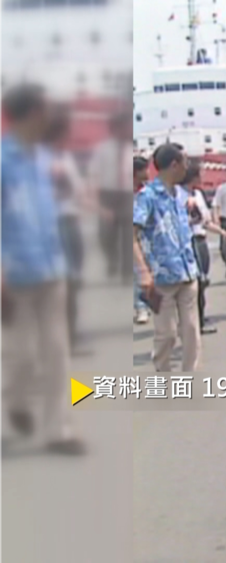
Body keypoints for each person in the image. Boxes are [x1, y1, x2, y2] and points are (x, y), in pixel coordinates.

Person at [1, 83, 82, 454]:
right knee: (22, 352)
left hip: (52, 269)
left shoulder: (43, 157)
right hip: (14, 272)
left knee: (56, 350)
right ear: (32, 113)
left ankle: (58, 431)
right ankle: (16, 401)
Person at [133, 143, 202, 372]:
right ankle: (162, 375)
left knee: (191, 330)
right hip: (161, 278)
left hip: (187, 272)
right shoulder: (148, 197)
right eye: (185, 162)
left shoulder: (181, 195)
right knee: (167, 334)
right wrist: (143, 272)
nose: (187, 167)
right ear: (174, 165)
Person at [46, 105, 93, 352]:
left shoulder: (64, 158)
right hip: (54, 227)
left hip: (70, 223)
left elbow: (77, 190)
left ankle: (69, 337)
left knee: (72, 283)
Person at [180, 161, 226, 335]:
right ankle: (195, 322)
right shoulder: (179, 196)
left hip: (201, 240)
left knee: (203, 282)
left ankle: (199, 316)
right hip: (189, 241)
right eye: (199, 175)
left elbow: (205, 220)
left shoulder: (198, 194)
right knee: (196, 283)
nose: (202, 178)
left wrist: (221, 231)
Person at [89, 111, 134, 283]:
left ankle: (126, 272)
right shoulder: (102, 149)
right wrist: (96, 199)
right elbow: (94, 173)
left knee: (128, 235)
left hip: (126, 194)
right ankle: (112, 260)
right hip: (107, 193)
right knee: (105, 235)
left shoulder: (131, 149)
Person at [133, 158, 152, 324]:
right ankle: (140, 307)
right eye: (145, 169)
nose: (148, 172)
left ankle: (150, 302)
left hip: (149, 238)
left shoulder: (147, 192)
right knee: (136, 273)